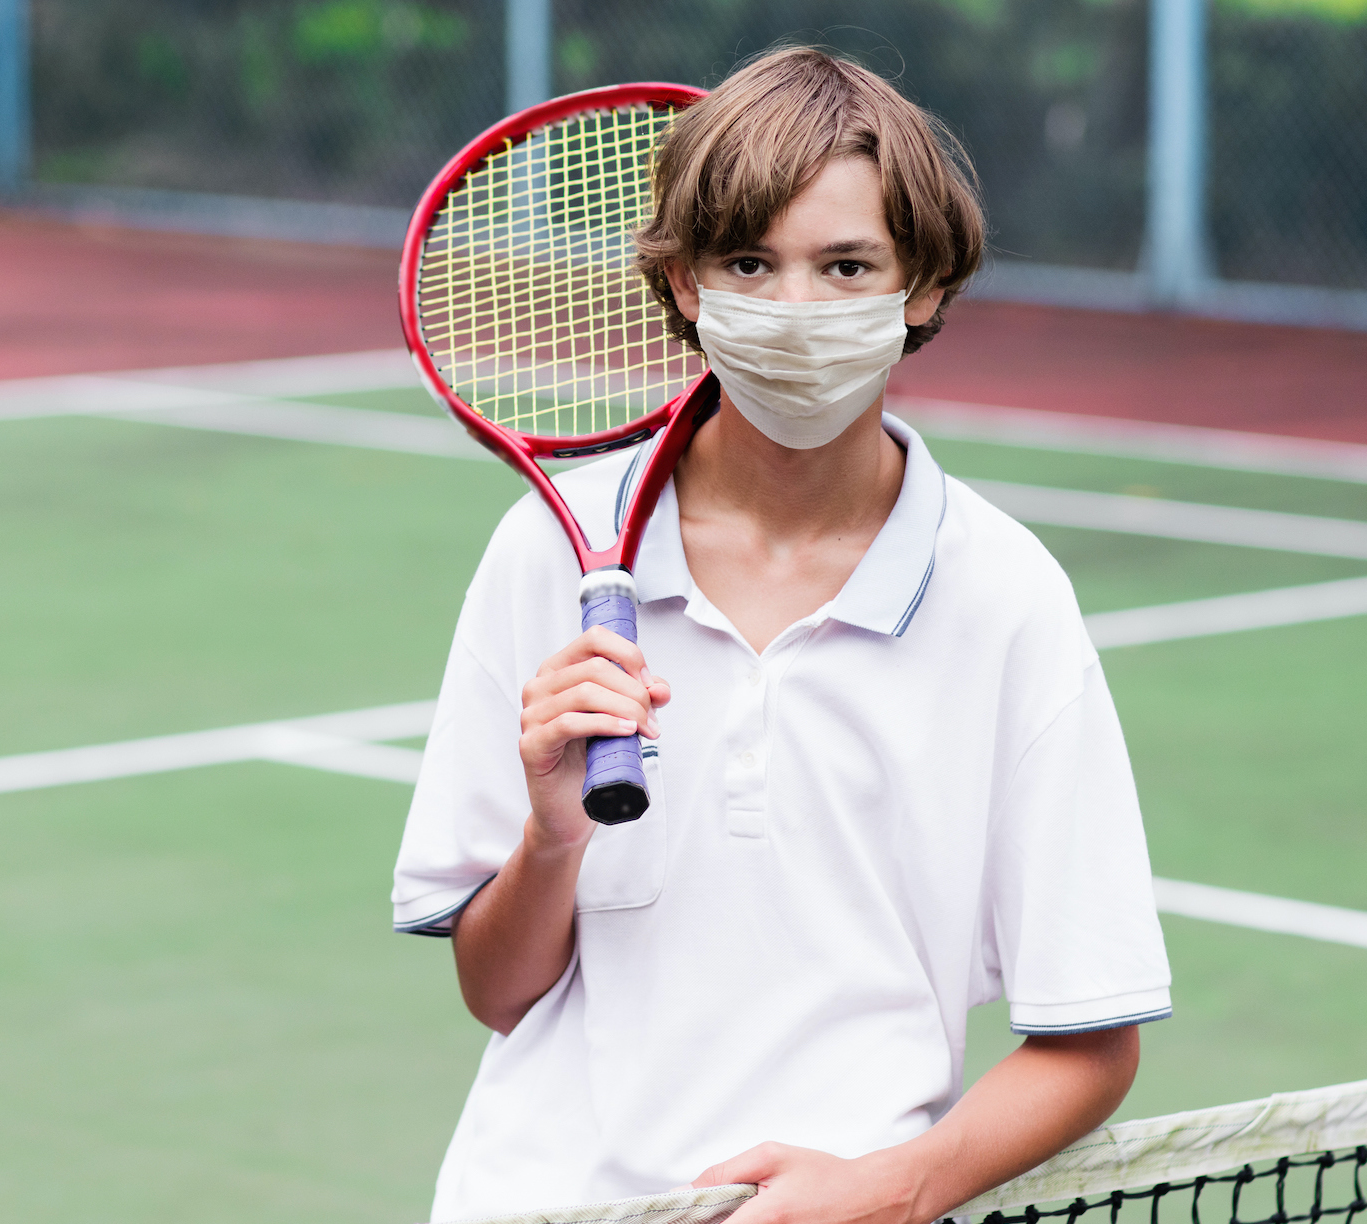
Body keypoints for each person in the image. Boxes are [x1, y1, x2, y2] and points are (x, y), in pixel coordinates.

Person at [391, 46, 1172, 1224]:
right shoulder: (546, 552)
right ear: (686, 283)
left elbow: (1091, 1041)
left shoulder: (1006, 596)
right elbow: (497, 994)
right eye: (749, 263)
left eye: (846, 265)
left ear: (925, 287)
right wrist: (551, 841)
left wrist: (894, 1190)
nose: (795, 309)